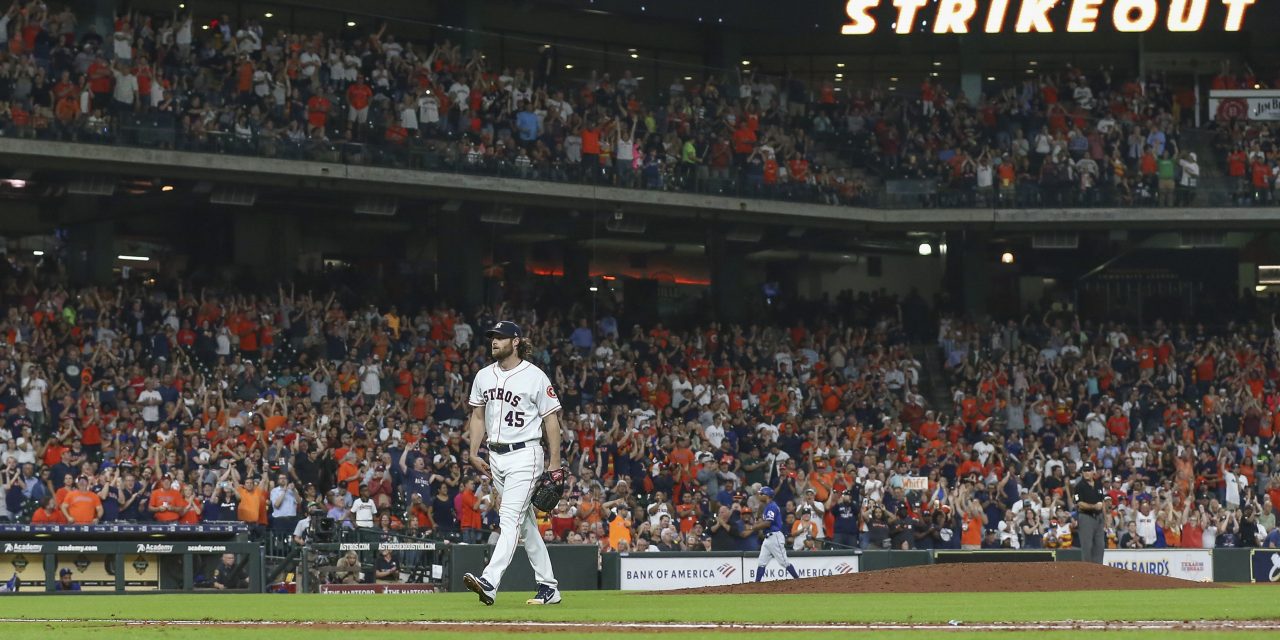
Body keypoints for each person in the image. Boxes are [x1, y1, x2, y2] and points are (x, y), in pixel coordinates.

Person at [462, 321, 565, 606]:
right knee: (525, 523)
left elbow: (551, 420)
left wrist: (554, 463)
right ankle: (549, 587)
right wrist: (473, 451)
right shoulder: (483, 376)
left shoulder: (535, 376)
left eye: (500, 337)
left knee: (509, 519)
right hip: (496, 457)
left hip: (525, 454)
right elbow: (478, 416)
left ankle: (490, 581)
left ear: (516, 341)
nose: (494, 341)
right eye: (492, 337)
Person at [750, 486, 801, 581]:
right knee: (761, 562)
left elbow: (768, 523)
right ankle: (756, 584)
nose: (759, 495)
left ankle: (798, 580)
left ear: (767, 495)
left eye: (761, 494)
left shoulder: (772, 506)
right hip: (768, 538)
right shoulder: (767, 506)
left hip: (775, 536)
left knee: (784, 562)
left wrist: (755, 527)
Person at [1074, 461, 1106, 563]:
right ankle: (1087, 572)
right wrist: (1094, 506)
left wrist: (1104, 518)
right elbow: (1079, 503)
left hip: (1099, 518)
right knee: (1087, 546)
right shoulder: (1079, 486)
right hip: (1086, 517)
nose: (1086, 473)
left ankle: (1098, 571)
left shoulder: (1098, 484)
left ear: (1093, 472)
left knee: (1100, 546)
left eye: (1089, 471)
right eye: (1084, 471)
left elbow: (1102, 501)